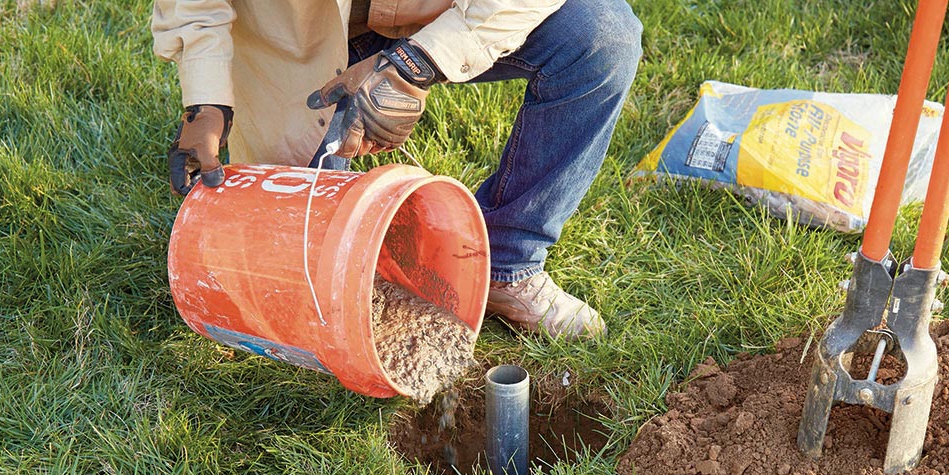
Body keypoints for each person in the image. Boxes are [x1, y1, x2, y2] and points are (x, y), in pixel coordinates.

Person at [153, 0, 642, 339]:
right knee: (301, 271)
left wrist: (418, 63)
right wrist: (207, 103)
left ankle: (507, 265)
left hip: (437, 20)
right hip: (294, 46)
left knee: (599, 34)